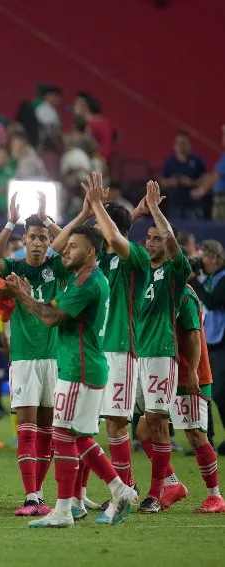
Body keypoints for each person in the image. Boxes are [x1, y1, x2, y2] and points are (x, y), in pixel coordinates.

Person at [0, 224, 138, 528]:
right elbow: (53, 304)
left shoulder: (86, 282)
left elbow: (51, 318)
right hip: (87, 365)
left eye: (72, 246)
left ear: (90, 251)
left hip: (79, 367)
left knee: (62, 434)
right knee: (75, 436)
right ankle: (112, 491)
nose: (65, 249)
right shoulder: (85, 279)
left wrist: (21, 295)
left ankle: (71, 507)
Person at [51, 172, 150, 510]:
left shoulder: (133, 257)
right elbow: (68, 247)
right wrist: (88, 215)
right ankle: (77, 498)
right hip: (94, 350)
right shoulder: (97, 262)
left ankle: (124, 490)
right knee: (84, 425)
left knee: (116, 423)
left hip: (121, 349)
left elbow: (116, 235)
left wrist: (97, 206)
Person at [0, 193, 63, 517]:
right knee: (27, 428)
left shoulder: (58, 266)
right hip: (25, 357)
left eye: (43, 238)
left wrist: (46, 219)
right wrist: (10, 222)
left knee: (49, 430)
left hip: (55, 358)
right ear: (24, 240)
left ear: (48, 242)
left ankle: (40, 493)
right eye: (32, 237)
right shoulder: (15, 268)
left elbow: (72, 243)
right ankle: (30, 495)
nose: (37, 243)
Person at [137, 284, 224, 513]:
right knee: (145, 430)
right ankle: (172, 484)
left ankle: (215, 496)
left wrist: (193, 371)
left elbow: (194, 334)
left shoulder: (183, 294)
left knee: (195, 435)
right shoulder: (159, 289)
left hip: (189, 375)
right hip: (166, 370)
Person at [134, 181, 192, 513]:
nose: (152, 242)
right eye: (149, 238)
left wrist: (154, 210)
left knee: (156, 423)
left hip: (159, 354)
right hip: (136, 355)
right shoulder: (139, 274)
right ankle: (171, 483)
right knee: (143, 426)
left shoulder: (173, 273)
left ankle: (155, 495)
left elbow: (172, 244)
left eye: (158, 239)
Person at [188, 240, 225, 452]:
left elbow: (212, 301)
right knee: (205, 389)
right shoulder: (210, 278)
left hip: (221, 344)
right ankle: (206, 438)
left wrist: (194, 280)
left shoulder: (222, 279)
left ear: (213, 258)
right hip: (208, 340)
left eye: (202, 256)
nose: (199, 261)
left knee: (219, 392)